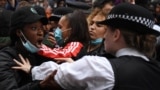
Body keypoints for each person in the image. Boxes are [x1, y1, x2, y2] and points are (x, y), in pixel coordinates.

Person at [13, 3, 160, 90]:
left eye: (107, 30)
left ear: (116, 34)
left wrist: (32, 70)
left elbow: (61, 74)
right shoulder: (155, 68)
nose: (104, 36)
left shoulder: (100, 66)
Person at [0, 6, 51, 90]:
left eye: (41, 27)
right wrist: (39, 85)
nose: (40, 32)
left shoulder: (44, 56)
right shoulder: (5, 59)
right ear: (19, 32)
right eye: (34, 28)